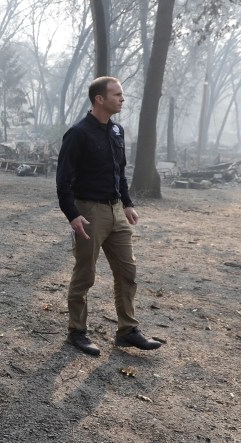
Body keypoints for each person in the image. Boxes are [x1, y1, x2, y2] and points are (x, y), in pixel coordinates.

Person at [56, 76, 162, 356]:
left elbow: (120, 171)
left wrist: (127, 203)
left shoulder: (117, 131)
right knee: (85, 274)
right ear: (99, 99)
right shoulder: (78, 133)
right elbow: (63, 180)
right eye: (117, 94)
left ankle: (127, 330)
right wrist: (72, 214)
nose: (122, 99)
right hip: (89, 211)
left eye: (122, 94)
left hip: (116, 211)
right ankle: (77, 331)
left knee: (128, 271)